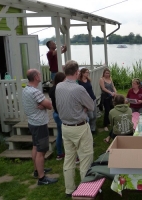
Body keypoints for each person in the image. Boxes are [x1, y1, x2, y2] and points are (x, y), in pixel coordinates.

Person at [55, 60, 95, 197]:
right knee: (85, 158)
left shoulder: (58, 86)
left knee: (69, 158)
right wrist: (82, 108)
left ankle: (69, 189)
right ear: (77, 72)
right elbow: (91, 105)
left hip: (65, 126)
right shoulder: (79, 88)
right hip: (79, 127)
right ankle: (85, 191)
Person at [22, 69, 58, 185]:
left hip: (32, 122)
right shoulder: (36, 92)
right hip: (40, 124)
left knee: (35, 147)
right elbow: (49, 105)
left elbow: (44, 104)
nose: (41, 75)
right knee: (41, 151)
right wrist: (44, 104)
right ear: (36, 77)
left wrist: (43, 104)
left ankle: (37, 170)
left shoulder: (26, 90)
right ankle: (42, 178)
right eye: (39, 74)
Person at [49, 72, 66, 161]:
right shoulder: (60, 89)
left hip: (55, 113)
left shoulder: (51, 89)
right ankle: (70, 154)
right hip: (62, 114)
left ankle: (59, 153)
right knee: (67, 135)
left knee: (59, 134)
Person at [78, 68, 97, 135]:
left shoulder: (88, 80)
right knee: (90, 116)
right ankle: (88, 129)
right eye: (86, 72)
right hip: (86, 101)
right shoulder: (79, 82)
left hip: (93, 98)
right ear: (83, 73)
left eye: (88, 72)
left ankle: (93, 129)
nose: (88, 73)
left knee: (94, 115)